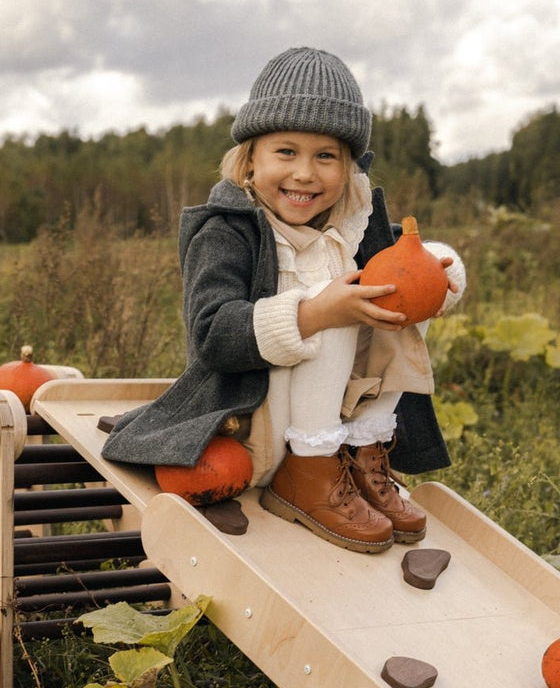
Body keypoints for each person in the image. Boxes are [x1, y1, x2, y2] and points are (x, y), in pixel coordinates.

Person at [102, 46, 465, 553]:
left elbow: (403, 273)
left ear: (349, 166)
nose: (305, 173)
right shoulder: (226, 229)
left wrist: (436, 275)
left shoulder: (353, 220)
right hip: (255, 422)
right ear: (251, 158)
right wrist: (313, 313)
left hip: (340, 423)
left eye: (326, 156)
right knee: (328, 298)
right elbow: (212, 335)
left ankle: (364, 454)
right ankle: (308, 475)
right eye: (286, 152)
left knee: (421, 270)